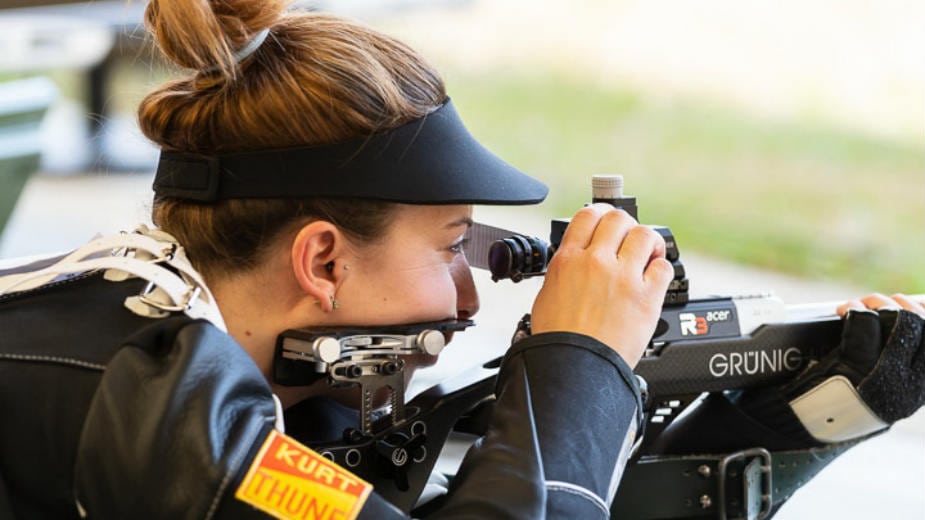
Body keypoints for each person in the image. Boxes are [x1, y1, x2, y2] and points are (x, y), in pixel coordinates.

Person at [0, 2, 921, 520]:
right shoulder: (165, 409)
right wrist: (576, 360)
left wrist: (813, 411)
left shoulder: (204, 357)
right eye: (450, 246)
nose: (468, 289)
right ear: (322, 259)